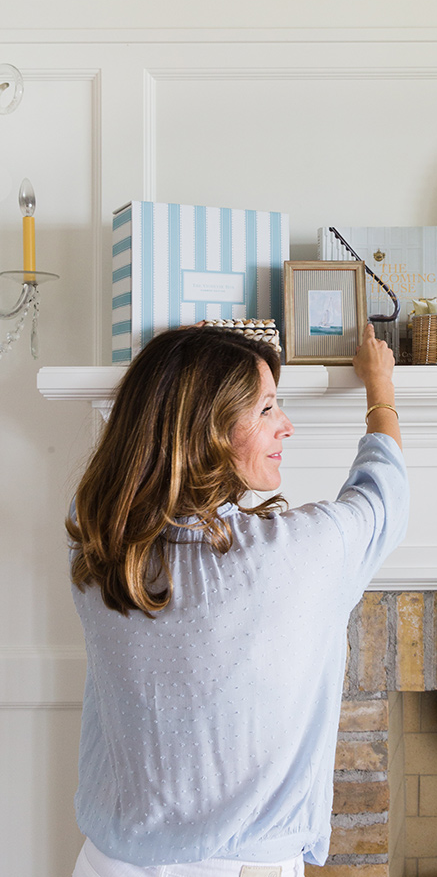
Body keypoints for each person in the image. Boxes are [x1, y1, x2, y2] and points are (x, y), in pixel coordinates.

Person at [67, 322, 409, 877]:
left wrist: (185, 365)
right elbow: (383, 494)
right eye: (269, 408)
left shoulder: (94, 546)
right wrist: (380, 391)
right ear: (212, 429)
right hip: (245, 865)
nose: (287, 427)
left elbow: (137, 455)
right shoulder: (299, 551)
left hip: (111, 861)